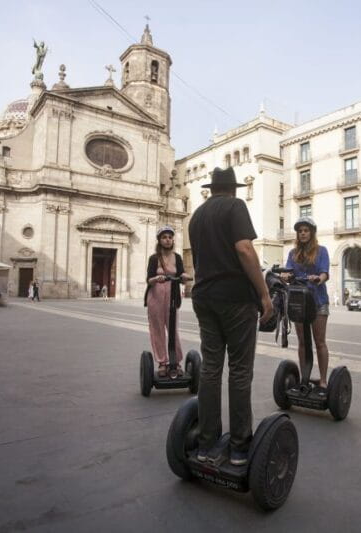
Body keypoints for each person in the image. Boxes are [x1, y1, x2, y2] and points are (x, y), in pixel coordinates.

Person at [189, 166, 273, 467]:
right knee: (239, 370)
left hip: (204, 296)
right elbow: (245, 249)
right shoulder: (235, 206)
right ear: (233, 189)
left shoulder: (197, 215)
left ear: (211, 189)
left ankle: (206, 444)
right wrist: (264, 294)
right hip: (235, 297)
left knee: (211, 368)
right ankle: (239, 447)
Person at [281, 217, 331, 392]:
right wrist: (285, 276)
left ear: (312, 232)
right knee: (303, 342)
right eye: (300, 231)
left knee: (319, 342)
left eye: (306, 230)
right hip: (299, 302)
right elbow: (287, 271)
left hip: (318, 301)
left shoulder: (321, 251)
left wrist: (319, 278)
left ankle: (323, 380)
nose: (302, 233)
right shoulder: (292, 254)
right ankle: (305, 378)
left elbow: (325, 273)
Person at [144, 226, 191, 377]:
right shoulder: (154, 258)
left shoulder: (177, 257)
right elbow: (149, 280)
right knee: (157, 330)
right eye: (164, 237)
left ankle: (175, 361)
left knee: (172, 330)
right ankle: (162, 362)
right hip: (155, 297)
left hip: (172, 297)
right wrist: (156, 279)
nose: (167, 240)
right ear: (159, 240)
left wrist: (186, 276)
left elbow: (181, 272)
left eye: (170, 237)